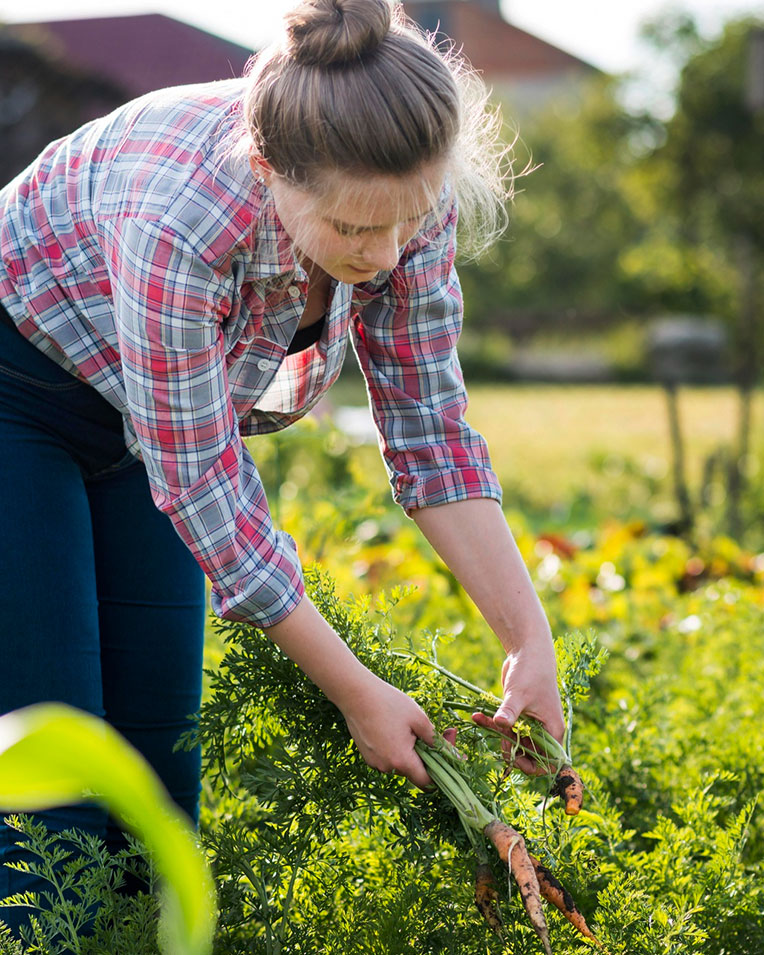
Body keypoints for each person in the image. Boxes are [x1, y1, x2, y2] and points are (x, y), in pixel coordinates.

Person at [0, 0, 565, 935]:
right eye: (352, 229)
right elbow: (204, 487)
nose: (384, 255)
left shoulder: (400, 193)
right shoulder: (180, 219)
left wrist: (525, 638)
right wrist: (358, 695)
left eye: (407, 224)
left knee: (156, 776)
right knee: (56, 796)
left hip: (149, 424)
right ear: (269, 171)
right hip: (18, 390)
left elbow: (430, 429)